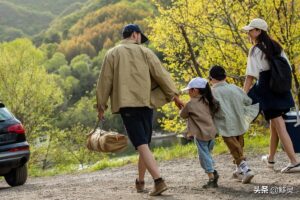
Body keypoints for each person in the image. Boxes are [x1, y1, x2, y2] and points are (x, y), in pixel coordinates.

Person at [96, 24, 183, 196]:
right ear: (135, 35)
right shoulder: (146, 52)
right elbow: (161, 75)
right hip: (147, 103)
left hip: (127, 105)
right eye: (140, 36)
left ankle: (158, 181)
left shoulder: (112, 53)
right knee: (144, 144)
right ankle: (141, 182)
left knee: (141, 143)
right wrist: (175, 97)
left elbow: (104, 82)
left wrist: (101, 107)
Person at [242, 18, 300, 172]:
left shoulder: (255, 50)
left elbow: (250, 76)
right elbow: (287, 67)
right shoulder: (276, 46)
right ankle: (271, 159)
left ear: (258, 31)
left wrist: (243, 94)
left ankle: (294, 162)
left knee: (279, 125)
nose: (248, 33)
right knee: (275, 125)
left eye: (251, 30)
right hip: (281, 88)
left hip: (267, 90)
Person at [209, 65, 259, 184]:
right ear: (225, 77)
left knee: (234, 148)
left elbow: (209, 108)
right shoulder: (235, 88)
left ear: (211, 79)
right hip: (239, 121)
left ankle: (246, 169)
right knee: (239, 145)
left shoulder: (212, 92)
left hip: (225, 124)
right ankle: (239, 171)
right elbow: (248, 101)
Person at [179, 77, 219, 189]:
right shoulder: (208, 101)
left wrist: (180, 108)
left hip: (201, 135)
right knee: (207, 154)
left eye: (189, 90)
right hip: (211, 133)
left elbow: (182, 115)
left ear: (195, 90)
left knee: (204, 156)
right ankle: (213, 171)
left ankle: (212, 177)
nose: (188, 92)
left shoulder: (190, 104)